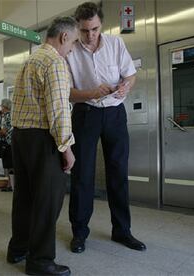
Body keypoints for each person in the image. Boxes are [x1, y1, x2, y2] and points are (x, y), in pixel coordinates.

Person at [66, 2, 146, 254]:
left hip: (114, 113)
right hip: (85, 113)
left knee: (118, 172)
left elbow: (130, 74)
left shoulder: (115, 44)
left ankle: (122, 231)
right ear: (77, 28)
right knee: (82, 175)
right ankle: (79, 233)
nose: (90, 35)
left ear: (101, 24)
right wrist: (91, 92)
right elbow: (67, 93)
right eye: (84, 30)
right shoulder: (70, 51)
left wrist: (126, 86)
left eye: (95, 29)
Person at [7, 17, 77, 276]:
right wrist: (66, 148)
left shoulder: (29, 61)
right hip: (43, 139)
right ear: (64, 37)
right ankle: (40, 261)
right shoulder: (55, 62)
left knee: (24, 198)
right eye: (73, 43)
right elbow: (59, 110)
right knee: (47, 202)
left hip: (21, 137)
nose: (72, 49)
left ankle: (17, 249)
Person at [0, 98, 14, 192]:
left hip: (7, 144)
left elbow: (4, 131)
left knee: (8, 165)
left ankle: (9, 185)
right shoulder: (10, 115)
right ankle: (10, 184)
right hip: (11, 143)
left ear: (5, 106)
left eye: (1, 106)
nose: (1, 108)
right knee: (9, 165)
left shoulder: (7, 116)